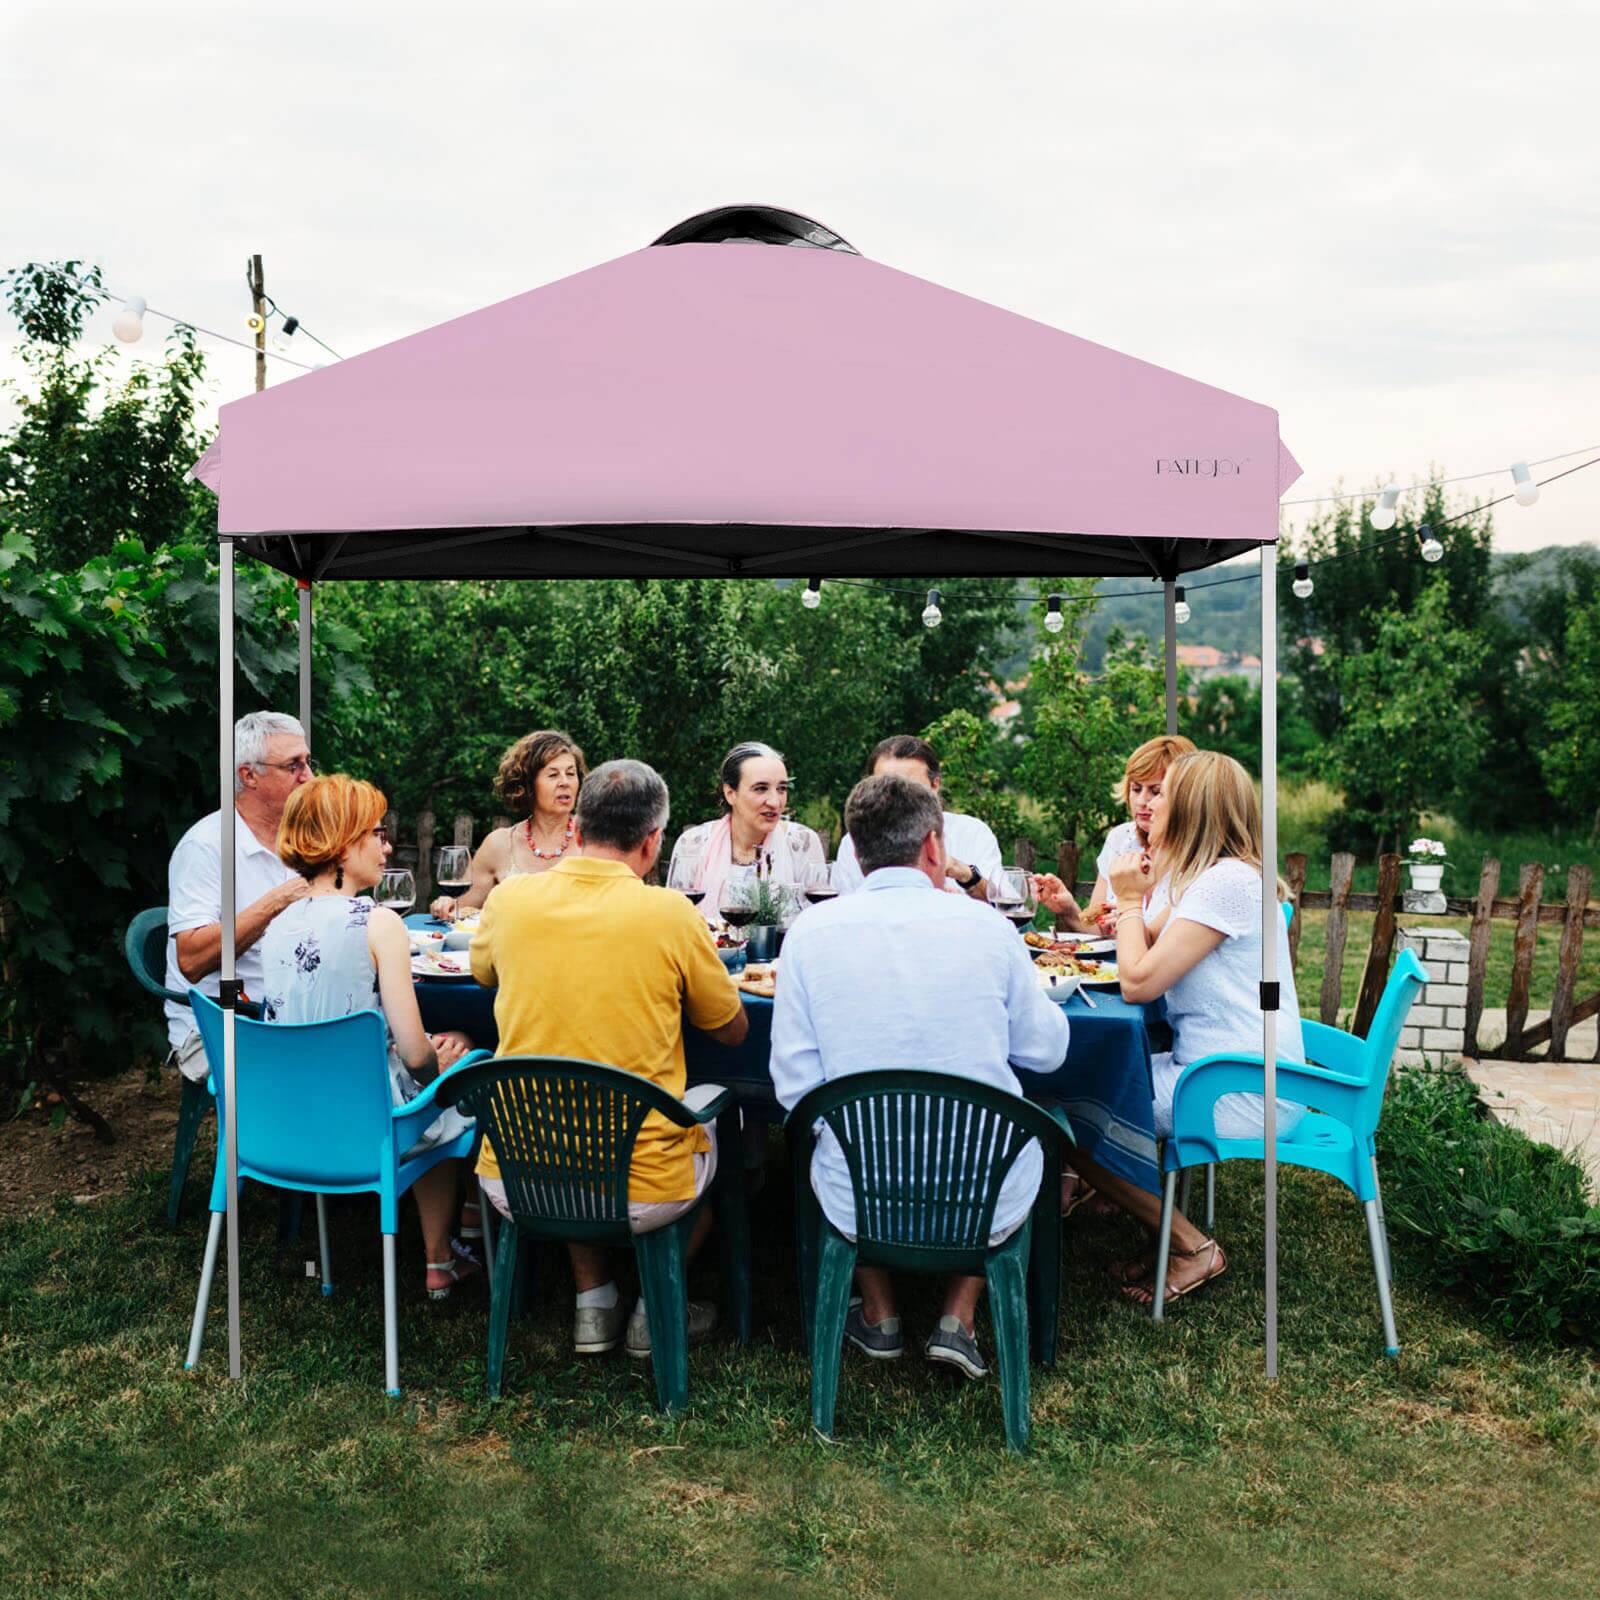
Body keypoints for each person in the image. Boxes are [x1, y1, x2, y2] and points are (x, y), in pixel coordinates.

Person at [771, 773, 1070, 1380]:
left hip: (859, 1191)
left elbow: (794, 1088)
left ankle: (879, 1314)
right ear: (935, 846)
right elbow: (1046, 1053)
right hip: (981, 1196)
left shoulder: (807, 936)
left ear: (855, 853)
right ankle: (958, 1318)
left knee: (841, 1129)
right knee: (1008, 1130)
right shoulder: (992, 929)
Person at [470, 759, 750, 1360]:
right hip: (642, 1186)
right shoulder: (673, 914)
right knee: (727, 1127)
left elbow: (479, 972)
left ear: (577, 828)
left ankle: (592, 1302)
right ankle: (654, 1306)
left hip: (516, 1175)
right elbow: (731, 1031)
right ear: (652, 843)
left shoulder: (510, 899)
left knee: (568, 1112)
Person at [1063, 749, 1307, 1308]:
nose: (1149, 805)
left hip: (1238, 1086)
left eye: (1164, 792)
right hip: (1215, 1067)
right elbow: (1134, 947)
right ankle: (1156, 1229)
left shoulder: (1226, 883)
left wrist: (1126, 900)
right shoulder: (1204, 876)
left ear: (1192, 807)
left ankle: (1190, 1245)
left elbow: (1138, 982)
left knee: (1065, 1113)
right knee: (1080, 1081)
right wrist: (1128, 906)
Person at [260, 774, 480, 1299]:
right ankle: (444, 1254)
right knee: (455, 1073)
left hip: (289, 1122)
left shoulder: (276, 924)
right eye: (373, 835)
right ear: (340, 845)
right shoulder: (378, 922)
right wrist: (445, 1062)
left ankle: (439, 1254)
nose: (384, 846)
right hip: (367, 1125)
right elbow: (412, 1053)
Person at [164, 712, 315, 1084]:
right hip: (220, 1027)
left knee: (392, 1030)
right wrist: (278, 900)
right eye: (293, 765)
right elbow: (191, 958)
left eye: (309, 763)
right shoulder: (206, 846)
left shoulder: (302, 839)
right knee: (346, 1058)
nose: (308, 777)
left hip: (293, 1012)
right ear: (248, 775)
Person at [1032, 733, 1196, 934]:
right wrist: (1069, 910)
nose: (1142, 801)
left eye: (1155, 791)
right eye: (1136, 789)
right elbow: (1097, 927)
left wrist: (1128, 920)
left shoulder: (1198, 857)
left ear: (1185, 795)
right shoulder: (1121, 838)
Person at [428, 730, 587, 920]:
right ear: (527, 785)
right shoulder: (499, 845)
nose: (565, 782)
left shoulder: (596, 838)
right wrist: (444, 905)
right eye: (553, 775)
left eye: (571, 773)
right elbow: (459, 911)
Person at [667, 742, 827, 923]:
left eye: (781, 789)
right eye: (760, 788)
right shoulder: (692, 844)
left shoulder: (801, 843)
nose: (775, 802)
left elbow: (818, 921)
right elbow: (675, 921)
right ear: (730, 793)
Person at [832, 734, 1002, 900]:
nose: (899, 799)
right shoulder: (854, 841)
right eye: (884, 787)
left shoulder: (973, 833)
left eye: (911, 788)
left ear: (935, 785)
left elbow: (1006, 906)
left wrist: (966, 875)